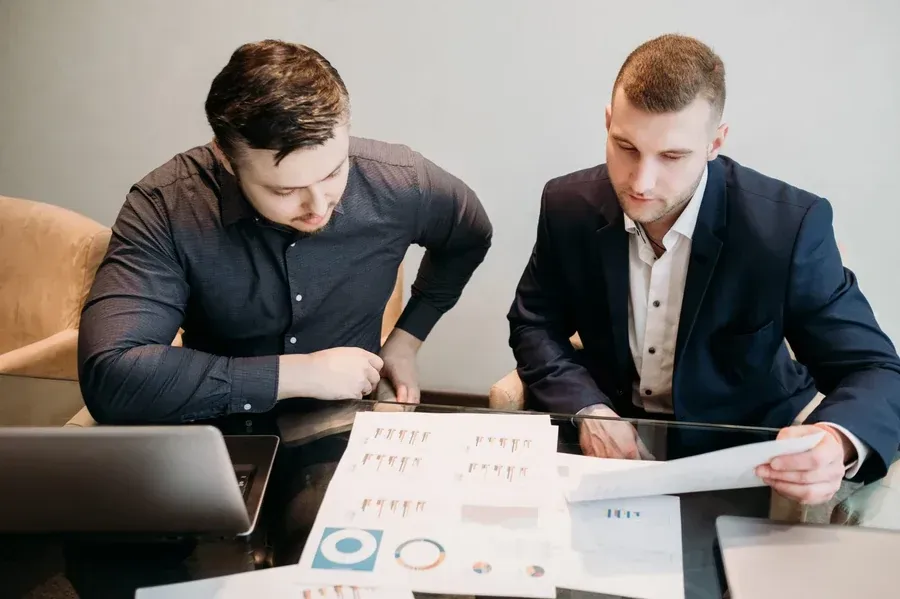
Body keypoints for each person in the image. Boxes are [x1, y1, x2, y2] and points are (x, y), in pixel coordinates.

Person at [77, 39, 491, 559]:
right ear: (227, 158)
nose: (318, 207)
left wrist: (406, 340)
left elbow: (470, 235)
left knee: (342, 556)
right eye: (283, 190)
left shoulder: (400, 181)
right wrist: (297, 373)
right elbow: (113, 372)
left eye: (333, 173)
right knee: (116, 558)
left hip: (339, 423)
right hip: (205, 424)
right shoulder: (167, 205)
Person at [508, 34, 900, 505]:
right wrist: (588, 409)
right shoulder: (566, 204)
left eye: (672, 156)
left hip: (740, 453)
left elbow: (875, 368)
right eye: (625, 146)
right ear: (608, 122)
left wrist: (837, 441)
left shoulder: (787, 227)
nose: (640, 182)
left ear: (715, 142)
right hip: (607, 440)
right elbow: (534, 323)